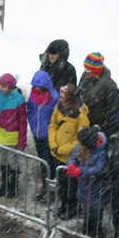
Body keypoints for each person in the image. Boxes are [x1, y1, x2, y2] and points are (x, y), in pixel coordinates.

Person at [48, 83, 89, 220]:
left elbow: (80, 140)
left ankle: (72, 208)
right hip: (57, 153)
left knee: (71, 187)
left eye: (63, 97)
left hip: (70, 158)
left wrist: (62, 150)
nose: (60, 99)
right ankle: (64, 204)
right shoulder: (59, 106)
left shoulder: (81, 115)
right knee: (61, 185)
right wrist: (53, 145)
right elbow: (53, 125)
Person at [66, 125, 108, 238]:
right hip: (84, 185)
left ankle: (97, 230)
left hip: (97, 187)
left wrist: (81, 170)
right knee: (86, 209)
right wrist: (71, 165)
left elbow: (98, 169)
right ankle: (87, 228)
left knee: (97, 211)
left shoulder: (101, 152)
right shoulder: (81, 145)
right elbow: (74, 157)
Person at [26, 69, 59, 202]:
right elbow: (30, 109)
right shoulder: (33, 95)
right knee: (43, 163)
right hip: (37, 134)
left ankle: (51, 190)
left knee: (50, 164)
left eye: (38, 86)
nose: (35, 88)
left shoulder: (54, 98)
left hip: (49, 137)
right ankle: (45, 187)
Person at [0, 73, 27, 198]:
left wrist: (22, 140)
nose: (1, 89)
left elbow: (22, 122)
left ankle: (13, 184)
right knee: (3, 159)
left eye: (4, 87)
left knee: (12, 160)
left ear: (11, 87)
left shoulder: (18, 99)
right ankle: (5, 183)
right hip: (1, 133)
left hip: (13, 135)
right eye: (0, 86)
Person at [77, 52, 119, 138]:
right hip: (80, 120)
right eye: (84, 67)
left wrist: (98, 128)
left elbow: (112, 113)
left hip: (95, 128)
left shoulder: (110, 86)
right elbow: (78, 93)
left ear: (96, 70)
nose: (85, 71)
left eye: (88, 69)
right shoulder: (85, 76)